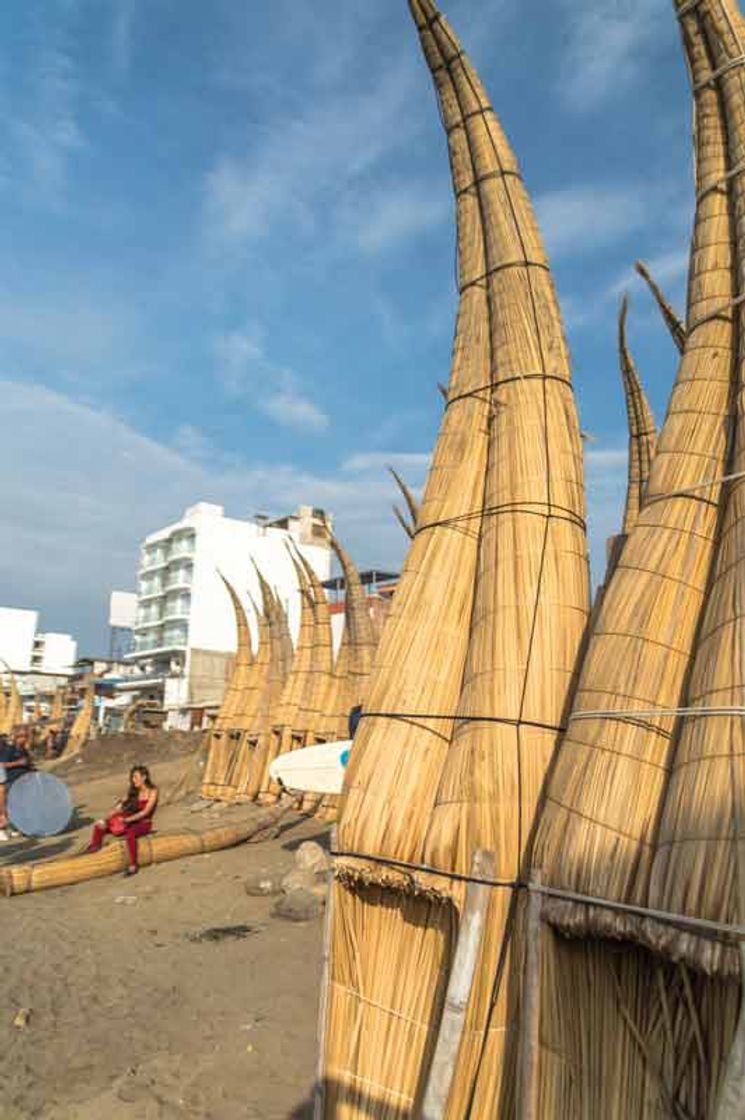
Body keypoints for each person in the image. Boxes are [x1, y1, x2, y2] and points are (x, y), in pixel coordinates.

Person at [86, 765, 159, 876]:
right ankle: (95, 848)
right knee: (99, 827)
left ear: (144, 777)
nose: (133, 780)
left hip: (143, 823)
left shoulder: (153, 791)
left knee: (130, 834)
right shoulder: (133, 792)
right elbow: (118, 808)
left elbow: (145, 812)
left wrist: (127, 820)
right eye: (132, 777)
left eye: (135, 777)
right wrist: (105, 820)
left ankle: (133, 865)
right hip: (127, 821)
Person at [0, 726, 34, 841]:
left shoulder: (23, 750)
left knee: (22, 805)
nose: (24, 739)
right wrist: (18, 763)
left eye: (26, 736)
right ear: (16, 737)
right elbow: (2, 765)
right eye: (21, 736)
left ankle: (18, 828)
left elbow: (27, 764)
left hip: (24, 781)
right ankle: (6, 828)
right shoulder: (9, 749)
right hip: (11, 781)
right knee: (10, 806)